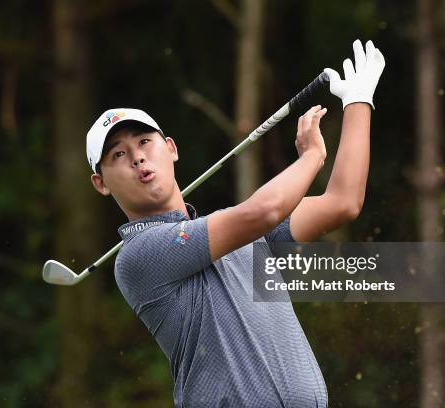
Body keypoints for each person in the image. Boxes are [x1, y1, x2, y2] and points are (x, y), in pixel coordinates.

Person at [86, 39, 385, 407]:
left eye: (145, 142)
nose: (137, 158)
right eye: (118, 154)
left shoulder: (242, 236)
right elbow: (262, 211)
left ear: (171, 148)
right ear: (100, 183)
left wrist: (359, 102)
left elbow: (342, 203)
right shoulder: (139, 255)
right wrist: (312, 157)